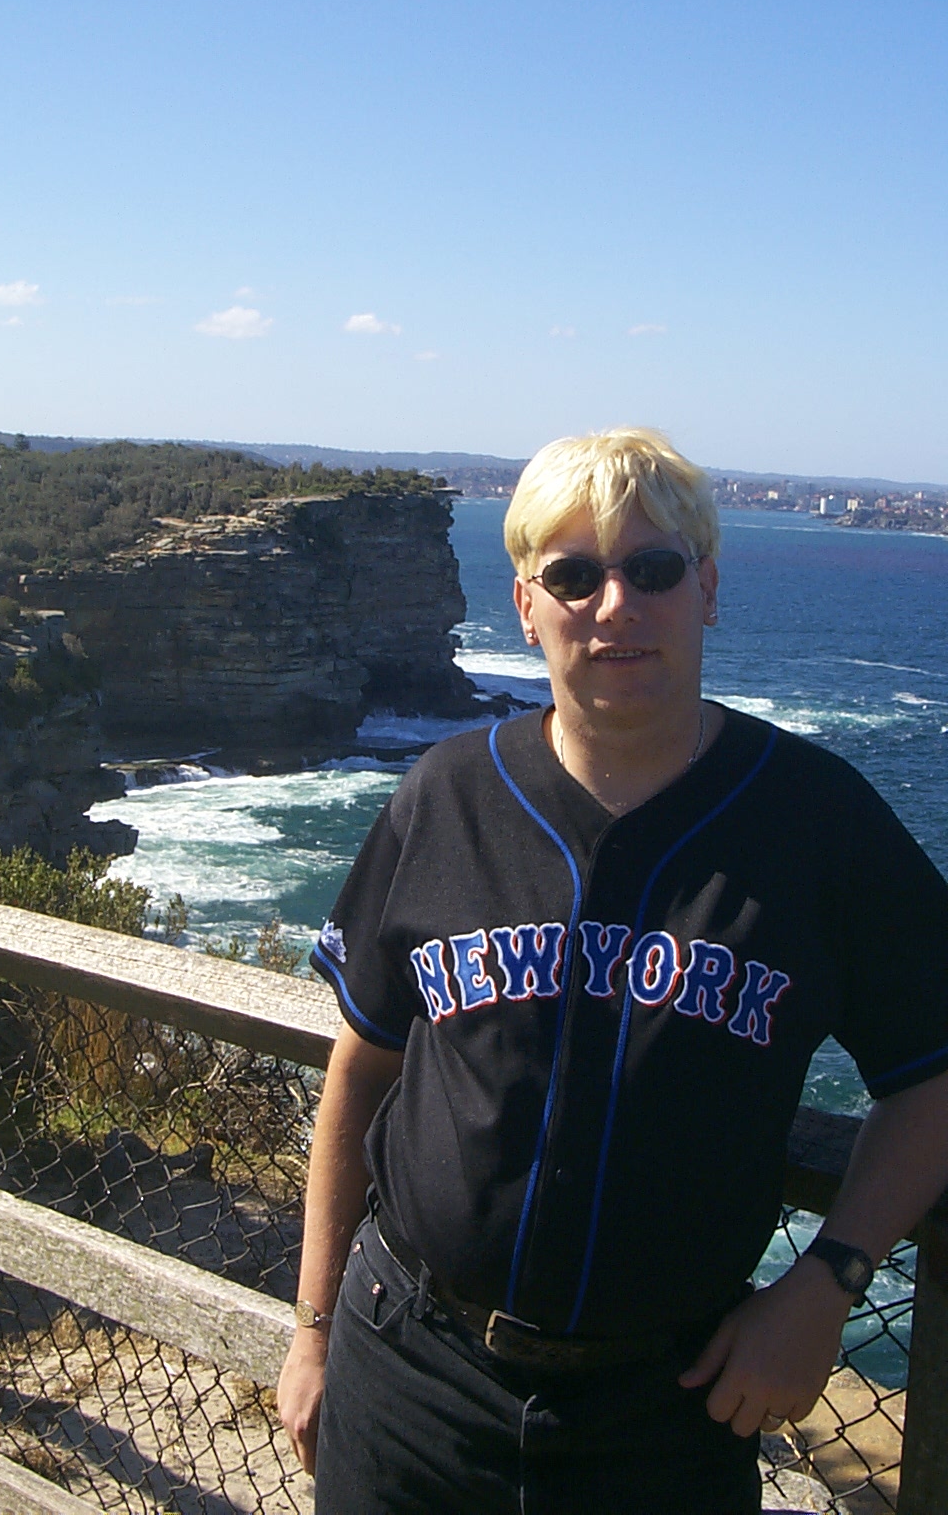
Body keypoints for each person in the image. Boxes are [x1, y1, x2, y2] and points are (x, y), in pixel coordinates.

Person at [278, 427, 948, 1514]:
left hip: (667, 1411)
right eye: (575, 575)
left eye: (652, 569)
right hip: (408, 1370)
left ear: (708, 589)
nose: (614, 605)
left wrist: (827, 1283)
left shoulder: (817, 821)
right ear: (526, 605)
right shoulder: (444, 796)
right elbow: (362, 1067)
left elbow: (931, 1070)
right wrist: (311, 1333)